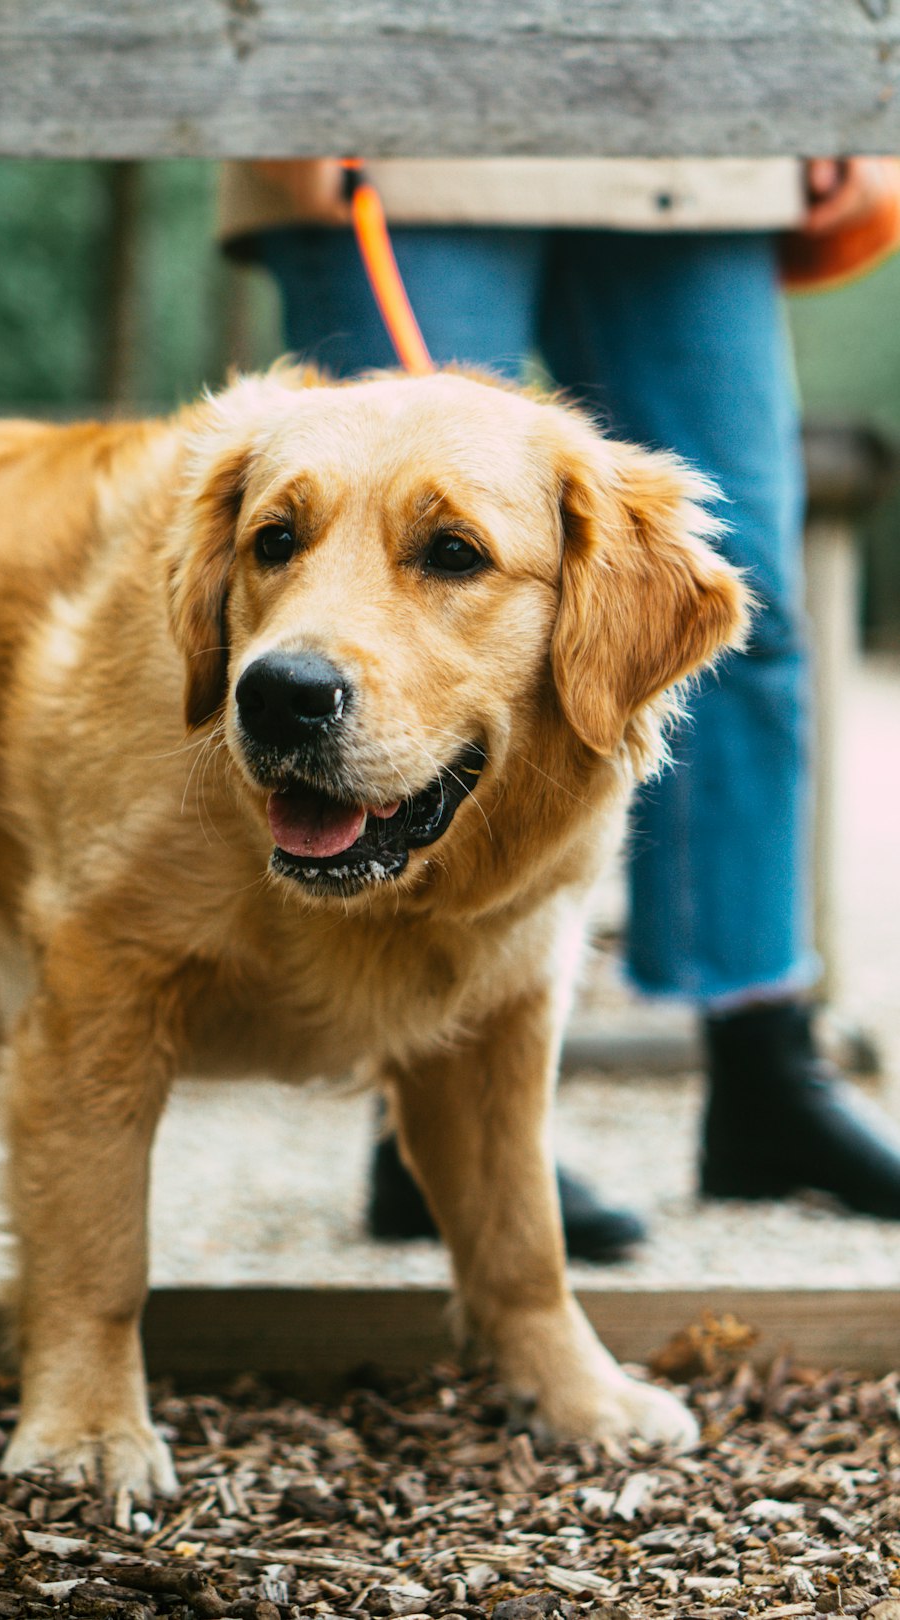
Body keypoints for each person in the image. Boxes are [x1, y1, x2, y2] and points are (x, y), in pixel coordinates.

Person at [218, 155, 900, 1257]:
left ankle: (766, 1071)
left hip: (700, 148)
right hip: (402, 122)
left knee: (738, 611)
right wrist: (279, 88)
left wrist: (855, 123)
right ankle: (422, 1138)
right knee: (362, 593)